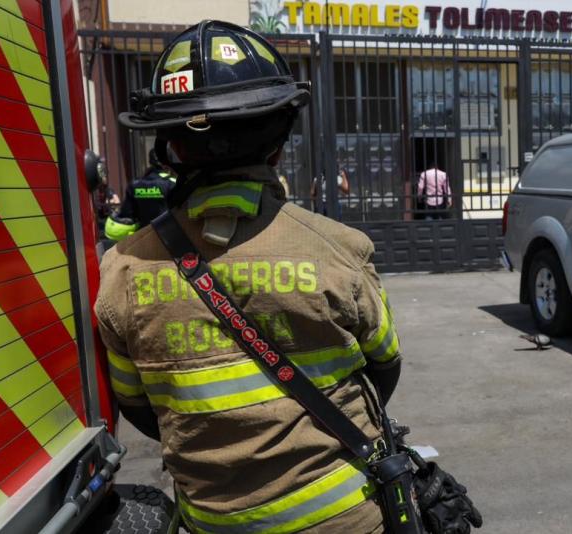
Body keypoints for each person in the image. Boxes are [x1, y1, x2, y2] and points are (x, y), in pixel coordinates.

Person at [98, 21, 401, 533]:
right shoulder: (340, 248)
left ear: (170, 147)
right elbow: (384, 371)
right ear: (279, 140)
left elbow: (139, 409)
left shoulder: (122, 270)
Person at [104, 149, 177, 241]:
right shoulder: (172, 183)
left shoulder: (135, 185)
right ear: (169, 162)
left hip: (143, 238)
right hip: (169, 236)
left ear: (150, 161)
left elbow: (127, 214)